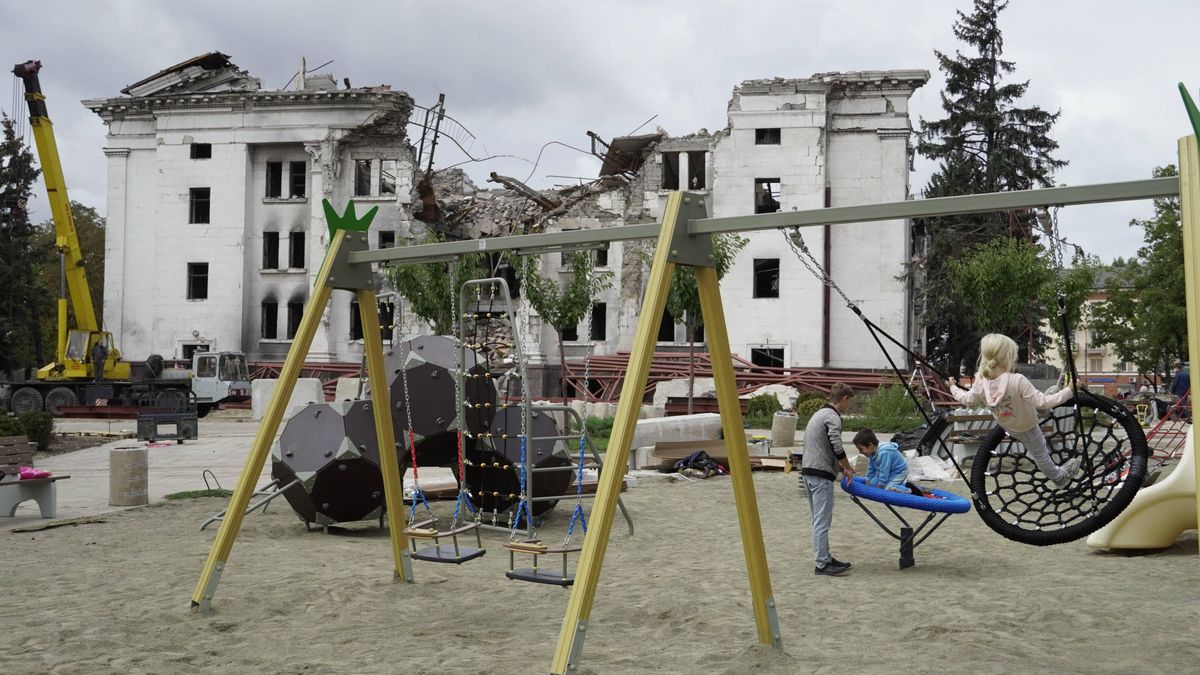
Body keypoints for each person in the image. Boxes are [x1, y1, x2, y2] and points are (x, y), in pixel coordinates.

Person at [947, 334, 1080, 489]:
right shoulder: (1017, 380)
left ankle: (1052, 392)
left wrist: (952, 387)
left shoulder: (981, 380)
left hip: (1008, 426)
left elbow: (967, 400)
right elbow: (1043, 403)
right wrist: (1070, 390)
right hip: (1028, 425)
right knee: (1041, 453)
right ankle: (1060, 478)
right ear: (1009, 356)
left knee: (1035, 402)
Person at [801, 382, 855, 576]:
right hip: (820, 473)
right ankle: (822, 564)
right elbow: (836, 445)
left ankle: (825, 556)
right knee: (822, 521)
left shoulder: (818, 414)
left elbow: (823, 446)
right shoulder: (832, 417)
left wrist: (840, 466)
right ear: (845, 398)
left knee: (818, 520)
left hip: (808, 470)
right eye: (849, 402)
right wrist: (847, 467)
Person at [853, 428, 915, 494]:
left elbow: (884, 471)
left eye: (861, 449)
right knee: (872, 484)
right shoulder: (872, 452)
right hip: (888, 471)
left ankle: (906, 490)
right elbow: (871, 468)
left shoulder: (884, 452)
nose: (860, 452)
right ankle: (896, 485)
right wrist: (868, 482)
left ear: (870, 445)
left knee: (887, 490)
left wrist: (880, 487)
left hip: (899, 472)